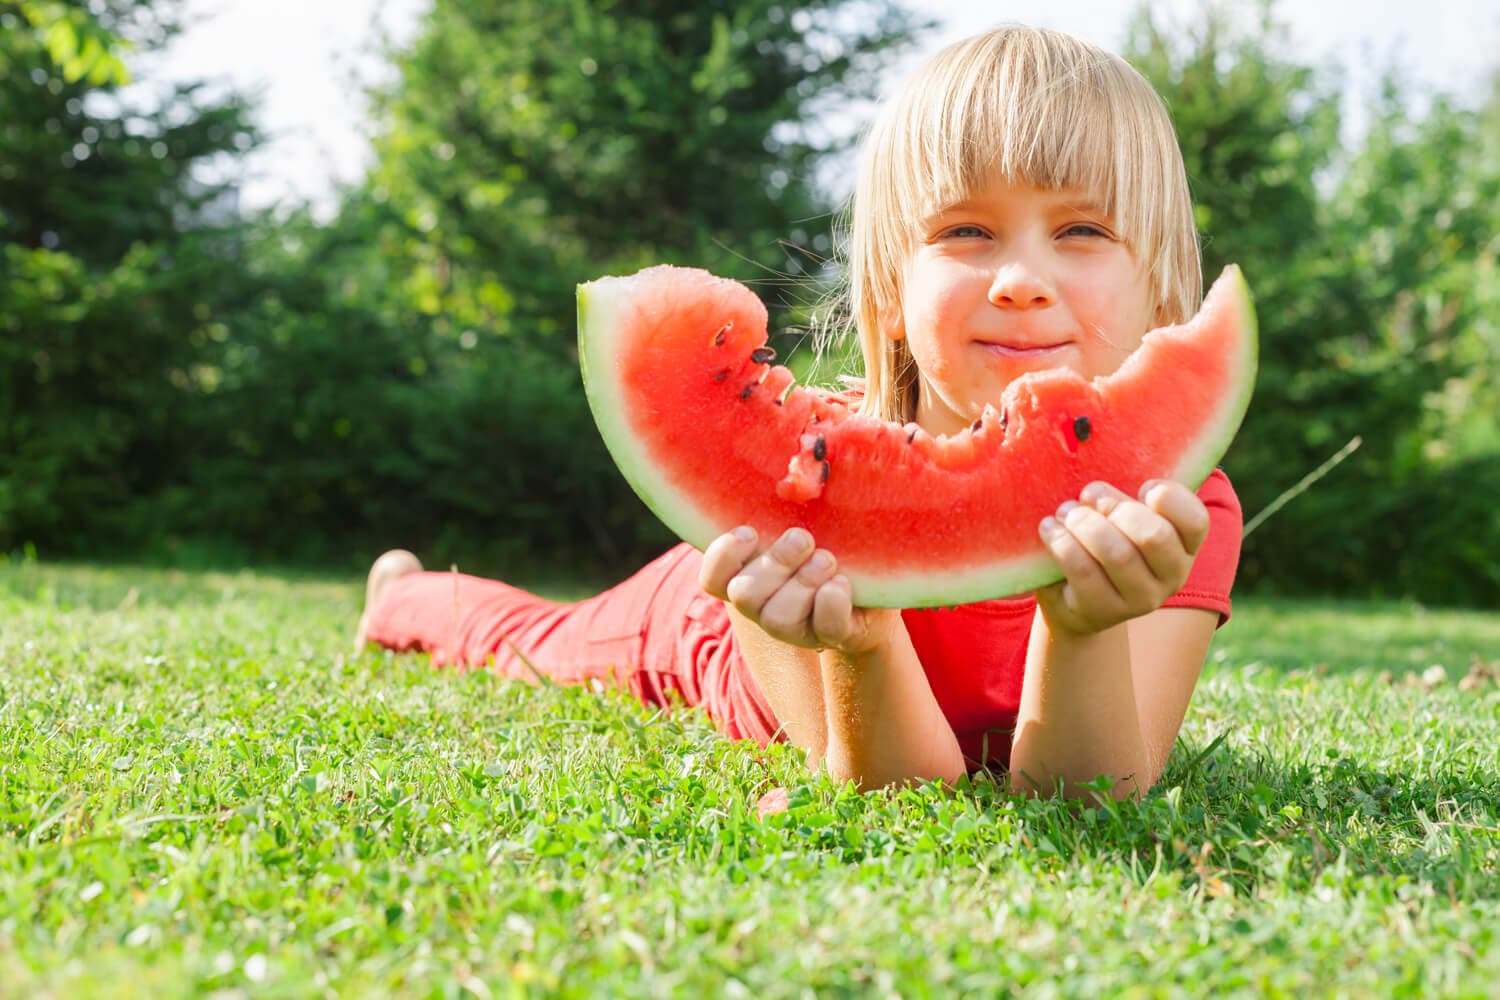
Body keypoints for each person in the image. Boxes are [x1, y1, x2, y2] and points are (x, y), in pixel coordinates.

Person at [355, 25, 1243, 800]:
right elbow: (902, 792)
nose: (1017, 281)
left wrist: (1082, 628)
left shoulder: (1184, 509)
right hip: (721, 611)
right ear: (890, 292)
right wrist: (861, 643)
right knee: (534, 642)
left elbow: (1091, 794)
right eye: (964, 233)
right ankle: (407, 597)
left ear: (1164, 292)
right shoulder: (793, 493)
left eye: (1082, 232)